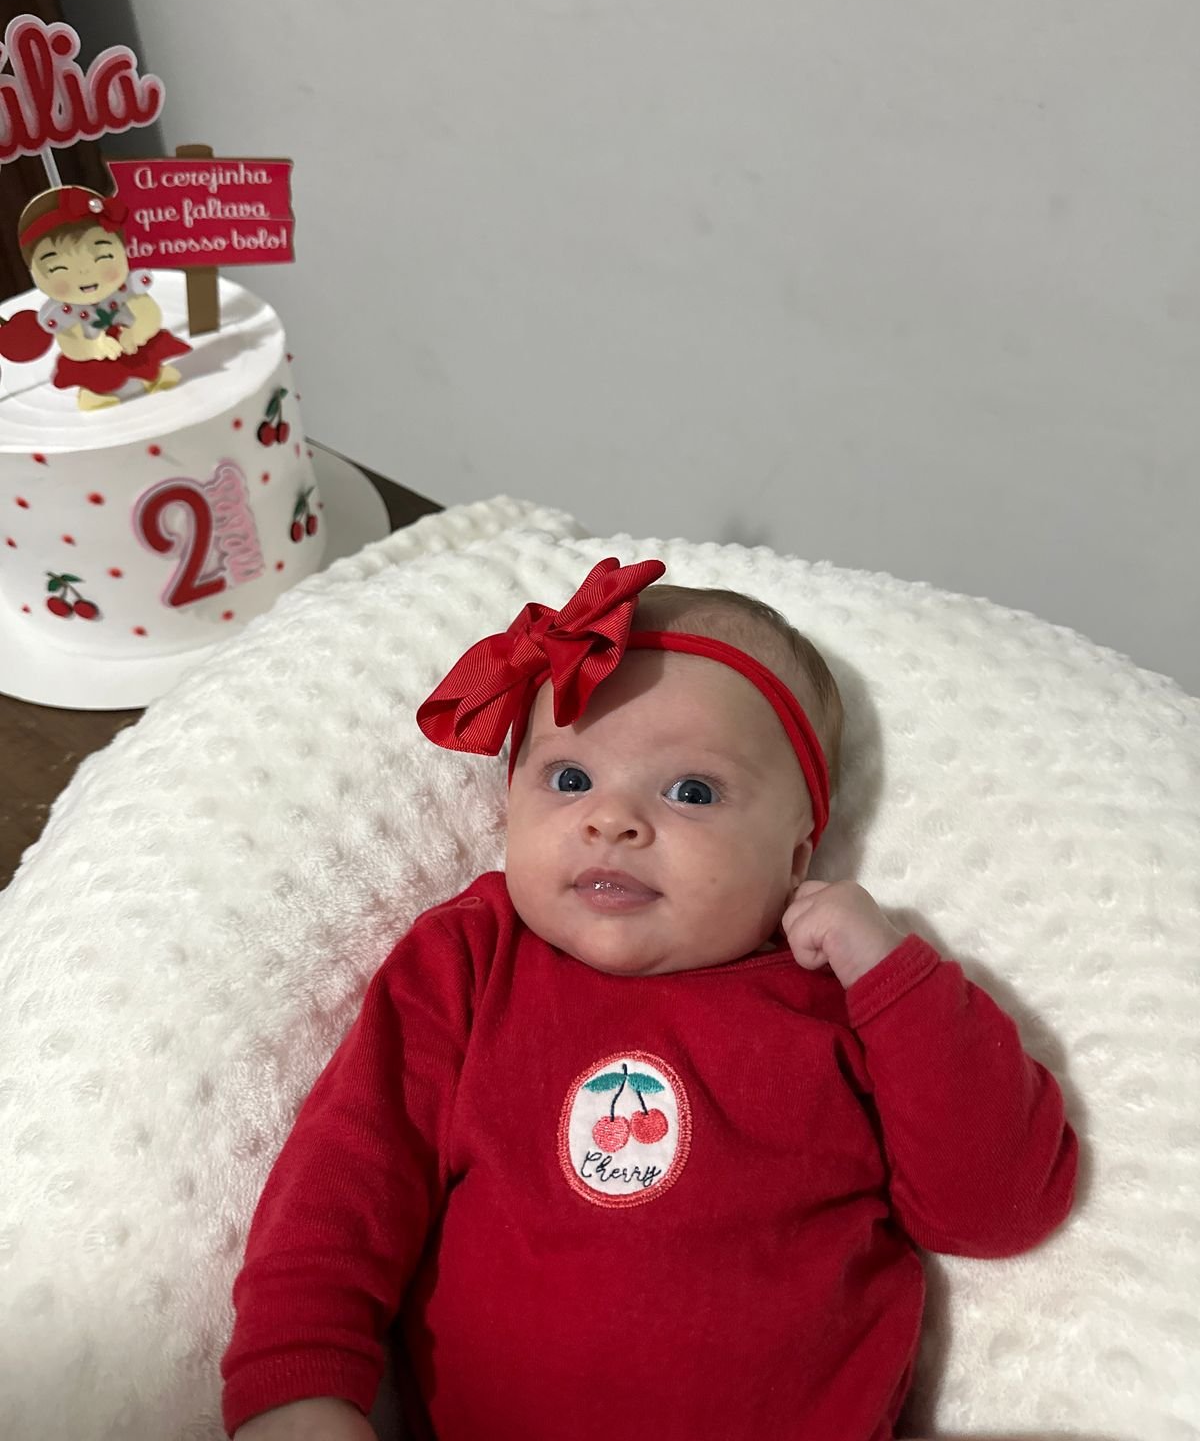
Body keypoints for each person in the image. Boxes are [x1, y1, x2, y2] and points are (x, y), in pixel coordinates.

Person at [221, 557, 1078, 1441]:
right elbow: (347, 1176)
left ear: (796, 856)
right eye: (569, 779)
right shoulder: (473, 963)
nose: (612, 820)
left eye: (691, 791)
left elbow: (998, 1209)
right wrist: (298, 1385)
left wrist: (894, 977)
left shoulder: (842, 998)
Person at [5, 185, 189, 410]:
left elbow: (148, 313)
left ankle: (155, 376)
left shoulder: (128, 289)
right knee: (95, 375)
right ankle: (93, 395)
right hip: (97, 357)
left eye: (103, 257)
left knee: (147, 356)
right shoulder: (64, 312)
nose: (84, 272)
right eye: (59, 269)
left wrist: (137, 332)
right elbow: (71, 343)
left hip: (132, 345)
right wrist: (94, 346)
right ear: (34, 272)